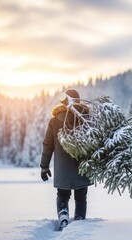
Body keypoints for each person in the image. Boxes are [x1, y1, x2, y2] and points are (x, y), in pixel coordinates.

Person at [40, 89, 92, 230]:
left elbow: (48, 145)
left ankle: (63, 214)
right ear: (78, 101)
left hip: (62, 168)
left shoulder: (54, 121)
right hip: (82, 167)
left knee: (62, 196)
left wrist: (44, 166)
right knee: (81, 198)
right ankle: (80, 221)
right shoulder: (86, 119)